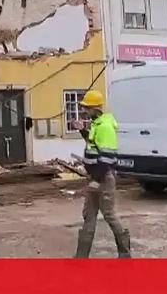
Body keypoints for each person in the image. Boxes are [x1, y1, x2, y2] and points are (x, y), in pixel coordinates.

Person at [71, 90, 131, 258]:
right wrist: (83, 130)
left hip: (103, 179)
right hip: (95, 179)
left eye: (86, 107)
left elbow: (107, 157)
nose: (84, 110)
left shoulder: (104, 127)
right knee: (88, 216)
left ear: (95, 108)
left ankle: (125, 255)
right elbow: (93, 144)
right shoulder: (96, 124)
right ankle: (80, 258)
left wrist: (97, 180)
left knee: (109, 215)